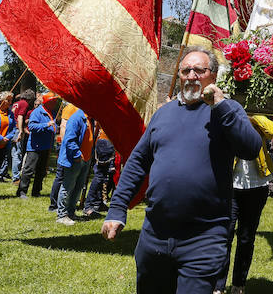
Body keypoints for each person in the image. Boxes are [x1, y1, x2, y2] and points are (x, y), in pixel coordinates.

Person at [101, 47, 262, 293]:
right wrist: (116, 209)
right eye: (185, 70)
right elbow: (137, 162)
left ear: (213, 76)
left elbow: (250, 148)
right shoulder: (163, 114)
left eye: (199, 70)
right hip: (155, 235)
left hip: (203, 239)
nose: (191, 76)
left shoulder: (227, 111)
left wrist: (220, 104)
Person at [216, 115, 273, 294]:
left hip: (257, 188)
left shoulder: (257, 127)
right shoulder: (229, 126)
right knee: (224, 236)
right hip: (231, 188)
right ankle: (218, 286)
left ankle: (238, 284)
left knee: (246, 238)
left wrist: (251, 119)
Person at [16, 92, 59, 199]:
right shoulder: (37, 112)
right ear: (48, 102)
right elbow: (32, 126)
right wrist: (47, 125)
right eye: (53, 101)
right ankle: (22, 191)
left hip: (46, 146)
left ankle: (36, 191)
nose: (55, 103)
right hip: (35, 146)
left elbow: (54, 126)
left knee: (41, 171)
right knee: (29, 170)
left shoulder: (52, 112)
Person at [56, 106, 93, 225]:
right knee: (68, 187)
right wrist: (77, 155)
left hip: (85, 159)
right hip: (75, 159)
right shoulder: (77, 118)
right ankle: (61, 215)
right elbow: (69, 139)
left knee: (77, 188)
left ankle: (71, 213)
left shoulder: (90, 119)